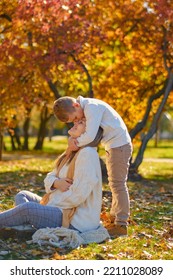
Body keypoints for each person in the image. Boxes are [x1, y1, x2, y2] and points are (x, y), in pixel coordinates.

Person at [0, 120, 103, 234]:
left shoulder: (87, 154)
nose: (75, 122)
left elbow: (77, 196)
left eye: (81, 123)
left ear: (89, 131)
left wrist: (49, 207)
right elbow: (50, 176)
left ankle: (26, 223)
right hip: (59, 205)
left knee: (28, 209)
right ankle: (28, 226)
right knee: (23, 195)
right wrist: (56, 183)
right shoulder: (73, 151)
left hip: (74, 219)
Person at [53, 95, 133, 237]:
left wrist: (74, 144)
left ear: (76, 106)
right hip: (113, 146)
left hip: (120, 145)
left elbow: (90, 136)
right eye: (74, 121)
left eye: (75, 118)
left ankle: (121, 224)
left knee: (118, 184)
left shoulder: (91, 107)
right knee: (114, 183)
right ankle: (114, 218)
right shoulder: (87, 108)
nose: (77, 121)